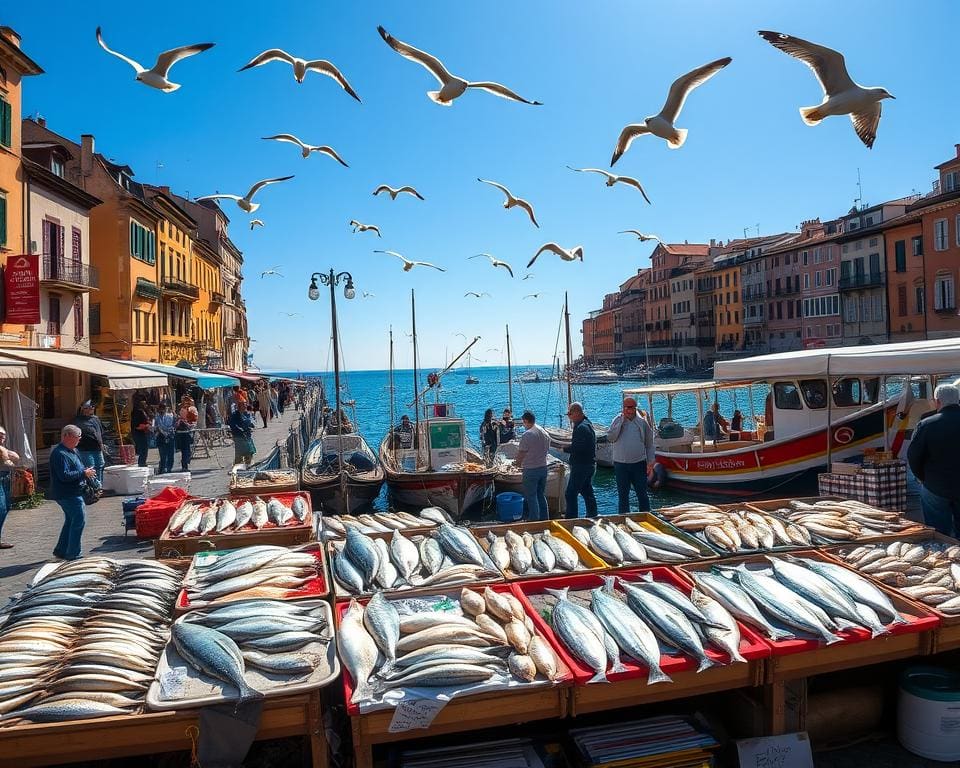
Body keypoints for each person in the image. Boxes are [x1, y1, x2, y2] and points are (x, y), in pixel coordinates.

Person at [908, 384, 960, 536]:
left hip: (935, 485)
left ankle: (943, 555)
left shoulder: (926, 424)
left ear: (937, 401)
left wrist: (923, 478)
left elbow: (914, 456)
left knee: (939, 532)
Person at [49, 424, 96, 561]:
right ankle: (73, 553)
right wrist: (83, 473)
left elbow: (78, 468)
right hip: (67, 493)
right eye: (77, 437)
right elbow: (64, 475)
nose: (79, 440)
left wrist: (85, 471)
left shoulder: (73, 451)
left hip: (74, 491)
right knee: (78, 521)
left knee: (71, 521)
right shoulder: (59, 454)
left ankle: (61, 550)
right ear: (67, 436)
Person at [607, 396, 656, 514]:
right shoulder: (617, 420)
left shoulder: (642, 423)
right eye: (626, 407)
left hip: (638, 464)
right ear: (623, 408)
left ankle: (646, 517)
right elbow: (610, 438)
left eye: (631, 407)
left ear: (635, 408)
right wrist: (620, 424)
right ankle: (624, 519)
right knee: (623, 495)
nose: (629, 410)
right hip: (621, 465)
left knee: (642, 494)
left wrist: (650, 462)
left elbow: (649, 443)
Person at [513, 410, 551, 521]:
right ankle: (545, 518)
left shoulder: (527, 434)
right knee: (540, 495)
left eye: (523, 422)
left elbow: (522, 453)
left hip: (531, 469)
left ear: (525, 421)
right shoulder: (544, 432)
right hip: (543, 467)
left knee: (531, 496)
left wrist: (517, 464)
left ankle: (534, 519)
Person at [563, 402, 598, 519]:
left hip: (581, 465)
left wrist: (564, 449)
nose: (569, 416)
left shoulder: (581, 427)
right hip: (589, 464)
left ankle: (571, 519)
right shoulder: (586, 424)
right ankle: (592, 515)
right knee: (586, 491)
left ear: (577, 412)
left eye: (569, 413)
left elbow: (578, 448)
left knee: (570, 494)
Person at [71, 400, 105, 485]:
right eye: (88, 408)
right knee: (90, 467)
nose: (91, 409)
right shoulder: (78, 420)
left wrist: (101, 444)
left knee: (100, 466)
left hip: (97, 447)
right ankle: (92, 487)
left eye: (92, 408)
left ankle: (99, 486)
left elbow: (100, 432)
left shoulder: (95, 419)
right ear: (83, 409)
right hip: (84, 448)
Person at [0, 427, 20, 549]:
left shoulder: (3, 448)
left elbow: (16, 457)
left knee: (6, 507)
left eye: (3, 435)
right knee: (1, 508)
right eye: (0, 434)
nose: (2, 436)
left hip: (6, 479)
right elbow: (9, 461)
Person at [176, 396, 199, 472]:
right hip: (183, 433)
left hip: (189, 431)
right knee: (185, 450)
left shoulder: (192, 409)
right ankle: (184, 465)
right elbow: (180, 420)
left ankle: (186, 463)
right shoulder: (182, 409)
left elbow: (194, 420)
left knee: (188, 450)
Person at [153, 403, 176, 475]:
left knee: (170, 454)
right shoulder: (156, 418)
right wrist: (159, 430)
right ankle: (163, 469)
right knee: (163, 455)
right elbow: (154, 427)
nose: (162, 410)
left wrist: (166, 432)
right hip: (160, 437)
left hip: (169, 436)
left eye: (164, 408)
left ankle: (169, 468)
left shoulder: (170, 416)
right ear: (159, 409)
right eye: (161, 408)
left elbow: (171, 426)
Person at [130, 398, 151, 467]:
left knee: (142, 448)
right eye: (144, 403)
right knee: (144, 448)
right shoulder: (139, 412)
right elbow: (138, 425)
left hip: (137, 433)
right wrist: (146, 425)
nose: (145, 405)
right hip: (140, 433)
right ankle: (142, 462)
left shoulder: (135, 412)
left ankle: (142, 462)